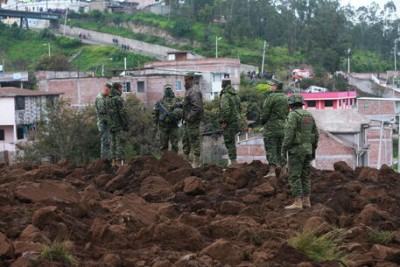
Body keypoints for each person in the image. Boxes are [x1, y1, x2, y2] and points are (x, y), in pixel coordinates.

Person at [282, 94, 319, 210]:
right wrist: (312, 149)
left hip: (296, 150)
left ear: (291, 105)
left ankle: (298, 203)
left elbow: (289, 134)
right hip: (308, 150)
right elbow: (316, 135)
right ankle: (307, 201)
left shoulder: (293, 115)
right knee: (305, 176)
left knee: (295, 176)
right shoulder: (309, 115)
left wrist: (284, 148)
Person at [260, 79, 289, 178]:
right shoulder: (286, 97)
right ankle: (284, 169)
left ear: (276, 86)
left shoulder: (270, 97)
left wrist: (262, 122)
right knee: (282, 149)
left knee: (271, 148)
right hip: (283, 127)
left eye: (271, 85)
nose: (269, 87)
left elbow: (265, 113)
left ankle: (272, 171)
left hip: (271, 128)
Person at [182, 72, 204, 168]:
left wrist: (189, 117)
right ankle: (185, 161)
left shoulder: (193, 91)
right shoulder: (189, 90)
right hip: (188, 121)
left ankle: (196, 163)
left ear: (190, 79)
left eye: (186, 80)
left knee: (194, 141)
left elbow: (197, 107)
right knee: (186, 140)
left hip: (193, 121)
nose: (185, 82)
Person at [153, 84, 183, 153]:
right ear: (164, 90)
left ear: (172, 90)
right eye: (167, 89)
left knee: (175, 146)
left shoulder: (177, 101)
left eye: (169, 89)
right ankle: (164, 161)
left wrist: (181, 124)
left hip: (174, 126)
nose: (168, 91)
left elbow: (183, 113)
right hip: (163, 127)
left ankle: (174, 160)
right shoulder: (160, 102)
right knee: (163, 146)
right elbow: (155, 115)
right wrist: (154, 127)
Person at [219, 79, 241, 166]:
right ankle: (233, 160)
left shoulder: (225, 95)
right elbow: (239, 108)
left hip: (229, 122)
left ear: (222, 85)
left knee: (229, 142)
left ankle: (233, 162)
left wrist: (224, 121)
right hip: (236, 121)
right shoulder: (235, 95)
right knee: (232, 141)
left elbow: (225, 110)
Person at [106, 82, 129, 167]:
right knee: (120, 143)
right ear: (118, 88)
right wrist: (126, 124)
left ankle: (113, 162)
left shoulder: (108, 99)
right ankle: (119, 164)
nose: (122, 90)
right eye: (121, 88)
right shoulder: (118, 99)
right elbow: (123, 113)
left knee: (113, 144)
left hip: (111, 126)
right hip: (119, 125)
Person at [95, 82, 112, 159]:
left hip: (106, 122)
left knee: (109, 142)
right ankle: (104, 160)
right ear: (106, 89)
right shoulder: (100, 99)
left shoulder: (105, 98)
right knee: (105, 142)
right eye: (110, 91)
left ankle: (108, 159)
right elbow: (103, 111)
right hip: (103, 123)